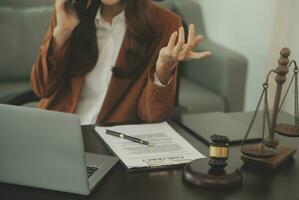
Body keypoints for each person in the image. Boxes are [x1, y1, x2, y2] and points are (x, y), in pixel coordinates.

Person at [31, 0, 211, 125]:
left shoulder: (165, 24)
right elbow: (42, 88)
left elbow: (151, 116)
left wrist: (163, 69)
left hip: (113, 143)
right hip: (57, 132)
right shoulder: (68, 11)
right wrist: (61, 32)